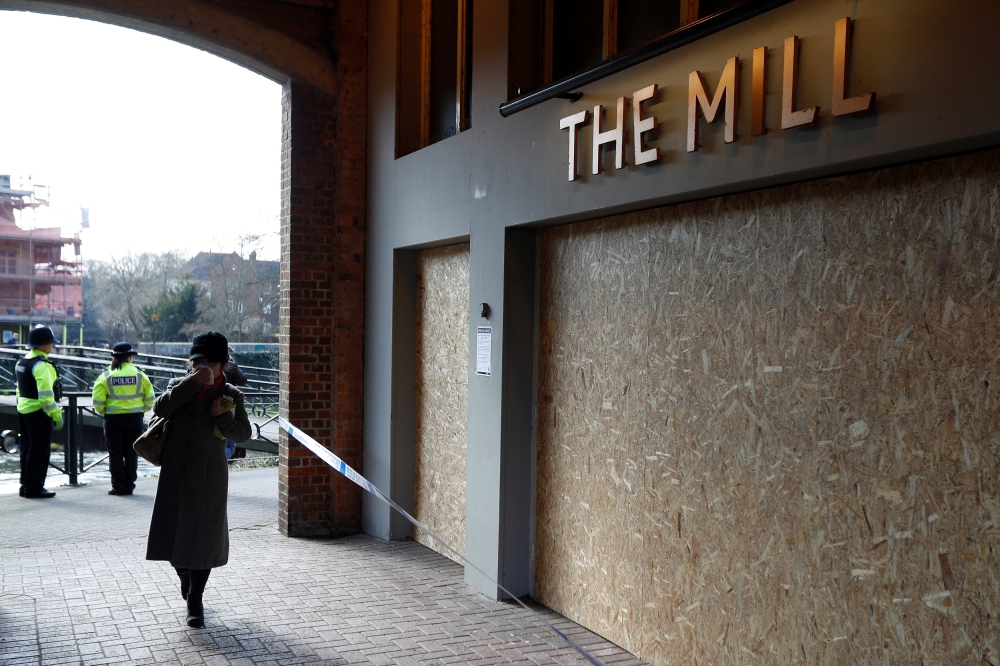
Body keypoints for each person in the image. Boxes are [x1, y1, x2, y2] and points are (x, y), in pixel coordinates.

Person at [145, 331, 251, 628]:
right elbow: (159, 408)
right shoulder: (179, 385)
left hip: (210, 478)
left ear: (222, 364)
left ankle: (195, 597)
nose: (200, 367)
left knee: (203, 541)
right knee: (173, 536)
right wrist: (192, 384)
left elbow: (244, 434)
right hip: (175, 475)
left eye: (207, 362)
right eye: (196, 362)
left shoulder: (231, 395)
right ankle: (184, 574)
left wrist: (222, 417)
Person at [91, 342, 155, 496]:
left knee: (115, 453)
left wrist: (104, 413)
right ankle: (130, 485)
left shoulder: (106, 375)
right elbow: (150, 398)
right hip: (135, 419)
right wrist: (140, 410)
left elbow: (97, 401)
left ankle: (118, 487)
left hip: (113, 420)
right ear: (129, 357)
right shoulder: (140, 374)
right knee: (132, 452)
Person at [16, 326, 63, 498]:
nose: (53, 346)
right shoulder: (42, 366)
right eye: (51, 343)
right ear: (42, 346)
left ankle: (25, 485)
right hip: (39, 414)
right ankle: (35, 487)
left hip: (24, 411)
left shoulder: (22, 362)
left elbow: (19, 390)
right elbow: (46, 397)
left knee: (27, 450)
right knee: (39, 452)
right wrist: (57, 415)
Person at [223, 348, 248, 460]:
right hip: (228, 406)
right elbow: (243, 380)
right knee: (230, 446)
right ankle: (217, 460)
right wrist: (233, 363)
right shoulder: (230, 365)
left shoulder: (195, 368)